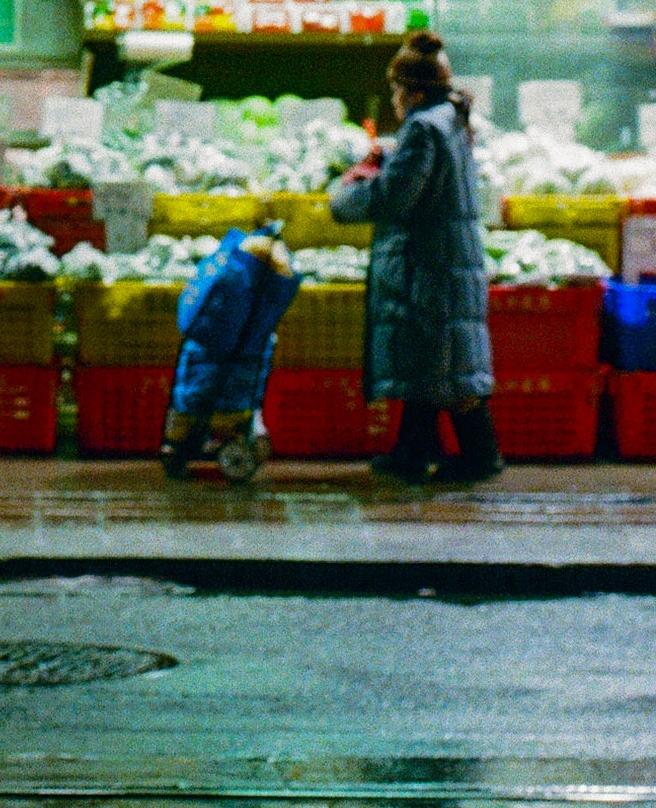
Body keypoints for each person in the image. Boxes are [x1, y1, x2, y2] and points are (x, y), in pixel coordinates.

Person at [328, 32, 499, 487]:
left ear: (413, 91)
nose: (394, 100)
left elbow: (395, 197)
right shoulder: (451, 120)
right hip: (446, 256)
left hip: (431, 261)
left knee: (442, 362)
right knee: (436, 360)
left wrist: (345, 194)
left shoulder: (424, 128)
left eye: (396, 90)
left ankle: (481, 456)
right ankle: (413, 450)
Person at [160, 224, 296, 483]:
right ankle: (215, 433)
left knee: (197, 389)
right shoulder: (269, 274)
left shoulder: (230, 267)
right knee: (223, 383)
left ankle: (181, 441)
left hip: (210, 355)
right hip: (236, 359)